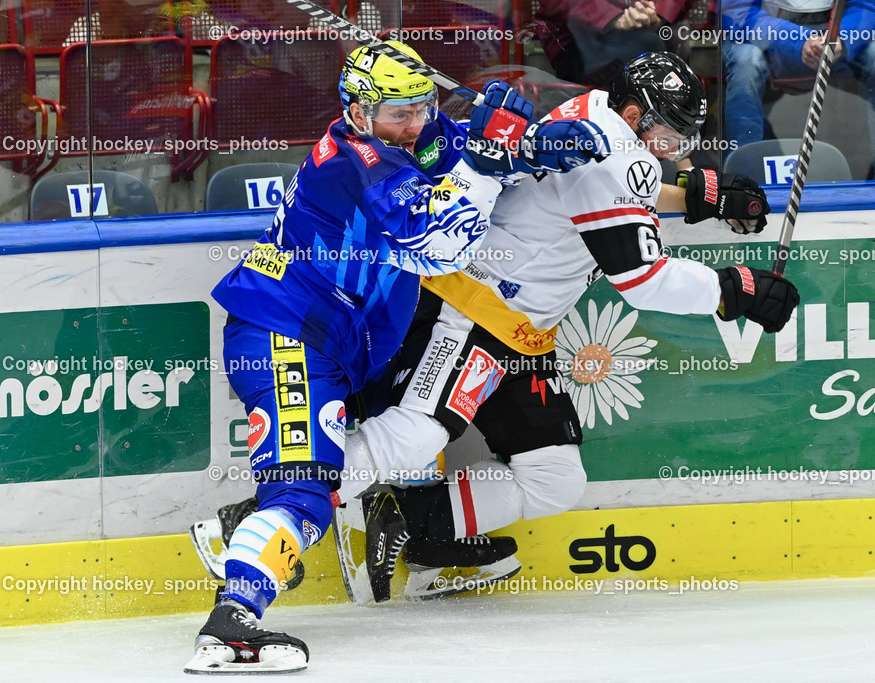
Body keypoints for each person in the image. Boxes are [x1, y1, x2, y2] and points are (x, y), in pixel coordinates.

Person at [183, 40, 608, 674]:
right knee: (304, 490)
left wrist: (535, 142)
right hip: (285, 337)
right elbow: (440, 244)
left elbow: (460, 147)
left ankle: (311, 535)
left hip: (339, 342)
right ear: (358, 113)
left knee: (405, 432)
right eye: (397, 115)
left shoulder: (414, 135)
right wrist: (488, 163)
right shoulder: (358, 164)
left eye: (422, 106)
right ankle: (232, 623)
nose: (414, 124)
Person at [330, 52, 798, 602]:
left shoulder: (598, 115)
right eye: (671, 133)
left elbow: (604, 190)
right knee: (415, 438)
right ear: (633, 113)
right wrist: (733, 290)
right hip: (472, 313)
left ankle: (419, 527)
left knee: (555, 479)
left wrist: (695, 198)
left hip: (524, 334)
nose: (679, 148)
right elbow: (642, 279)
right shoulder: (617, 154)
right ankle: (274, 514)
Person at [721, 0, 875, 178]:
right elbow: (737, 10)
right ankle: (742, 182)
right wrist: (799, 40)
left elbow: (868, 4)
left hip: (835, 37)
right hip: (767, 38)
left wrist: (842, 40)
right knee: (746, 64)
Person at [535, 0, 667, 88]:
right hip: (576, 35)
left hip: (633, 27)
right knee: (648, 44)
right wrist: (614, 18)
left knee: (662, 42)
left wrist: (655, 12)